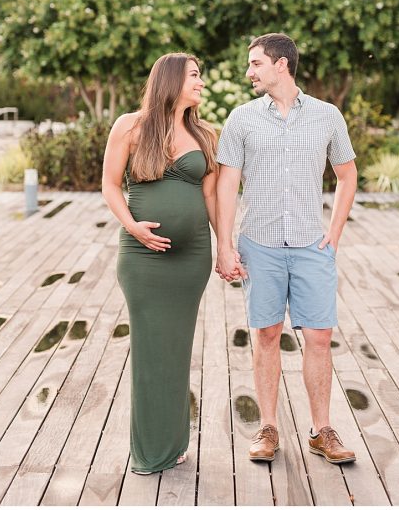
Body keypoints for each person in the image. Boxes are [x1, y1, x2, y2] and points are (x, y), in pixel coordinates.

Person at [215, 33, 358, 465]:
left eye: (255, 63)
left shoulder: (327, 116)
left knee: (318, 336)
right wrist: (224, 244)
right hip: (259, 245)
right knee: (267, 334)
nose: (249, 72)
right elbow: (226, 184)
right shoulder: (241, 119)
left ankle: (321, 431)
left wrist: (334, 232)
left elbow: (347, 176)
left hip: (311, 246)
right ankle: (269, 427)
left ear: (281, 65)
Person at [101, 53, 218, 474]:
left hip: (192, 259)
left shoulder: (205, 134)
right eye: (195, 75)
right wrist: (133, 226)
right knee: (151, 349)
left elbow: (211, 197)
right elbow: (110, 185)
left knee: (178, 349)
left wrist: (226, 248)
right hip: (142, 257)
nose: (201, 82)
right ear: (171, 80)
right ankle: (151, 450)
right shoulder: (130, 126)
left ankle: (173, 443)